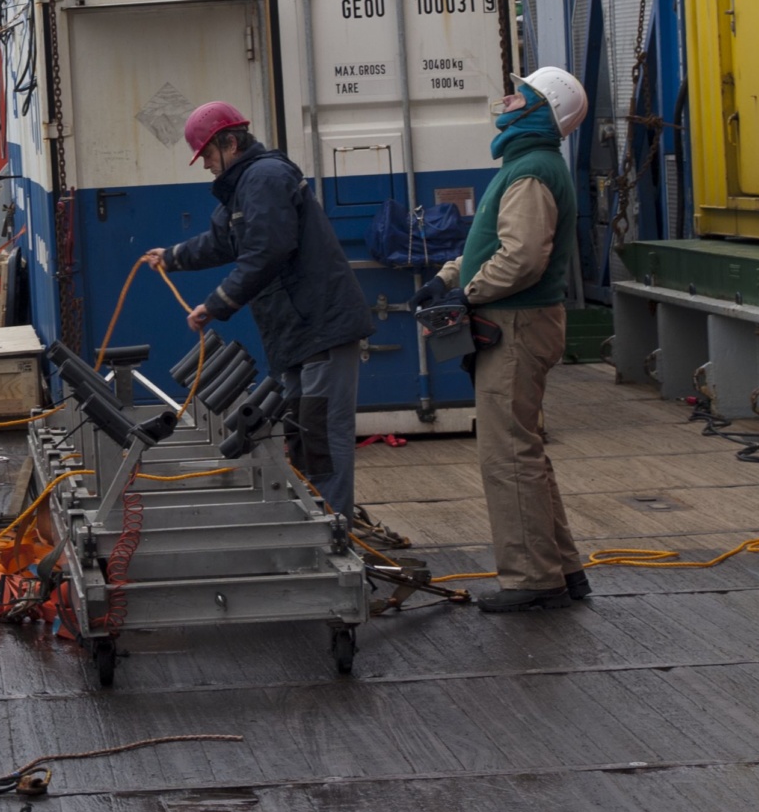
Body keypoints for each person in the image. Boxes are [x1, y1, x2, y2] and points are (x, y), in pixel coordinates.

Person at [140, 101, 374, 516]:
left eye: (208, 155)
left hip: (319, 326)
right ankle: (317, 521)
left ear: (230, 143)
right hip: (298, 331)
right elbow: (222, 242)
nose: (206, 165)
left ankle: (334, 532)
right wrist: (172, 257)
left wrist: (216, 305)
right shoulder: (245, 186)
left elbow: (268, 250)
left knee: (321, 432)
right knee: (303, 431)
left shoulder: (263, 178)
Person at [417, 66, 590, 612]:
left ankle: (534, 581)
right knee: (526, 453)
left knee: (509, 457)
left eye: (522, 94)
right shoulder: (524, 165)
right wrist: (447, 277)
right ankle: (561, 570)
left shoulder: (533, 171)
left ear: (542, 110)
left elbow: (522, 257)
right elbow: (488, 243)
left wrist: (466, 293)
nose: (508, 99)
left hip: (516, 326)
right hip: (518, 322)